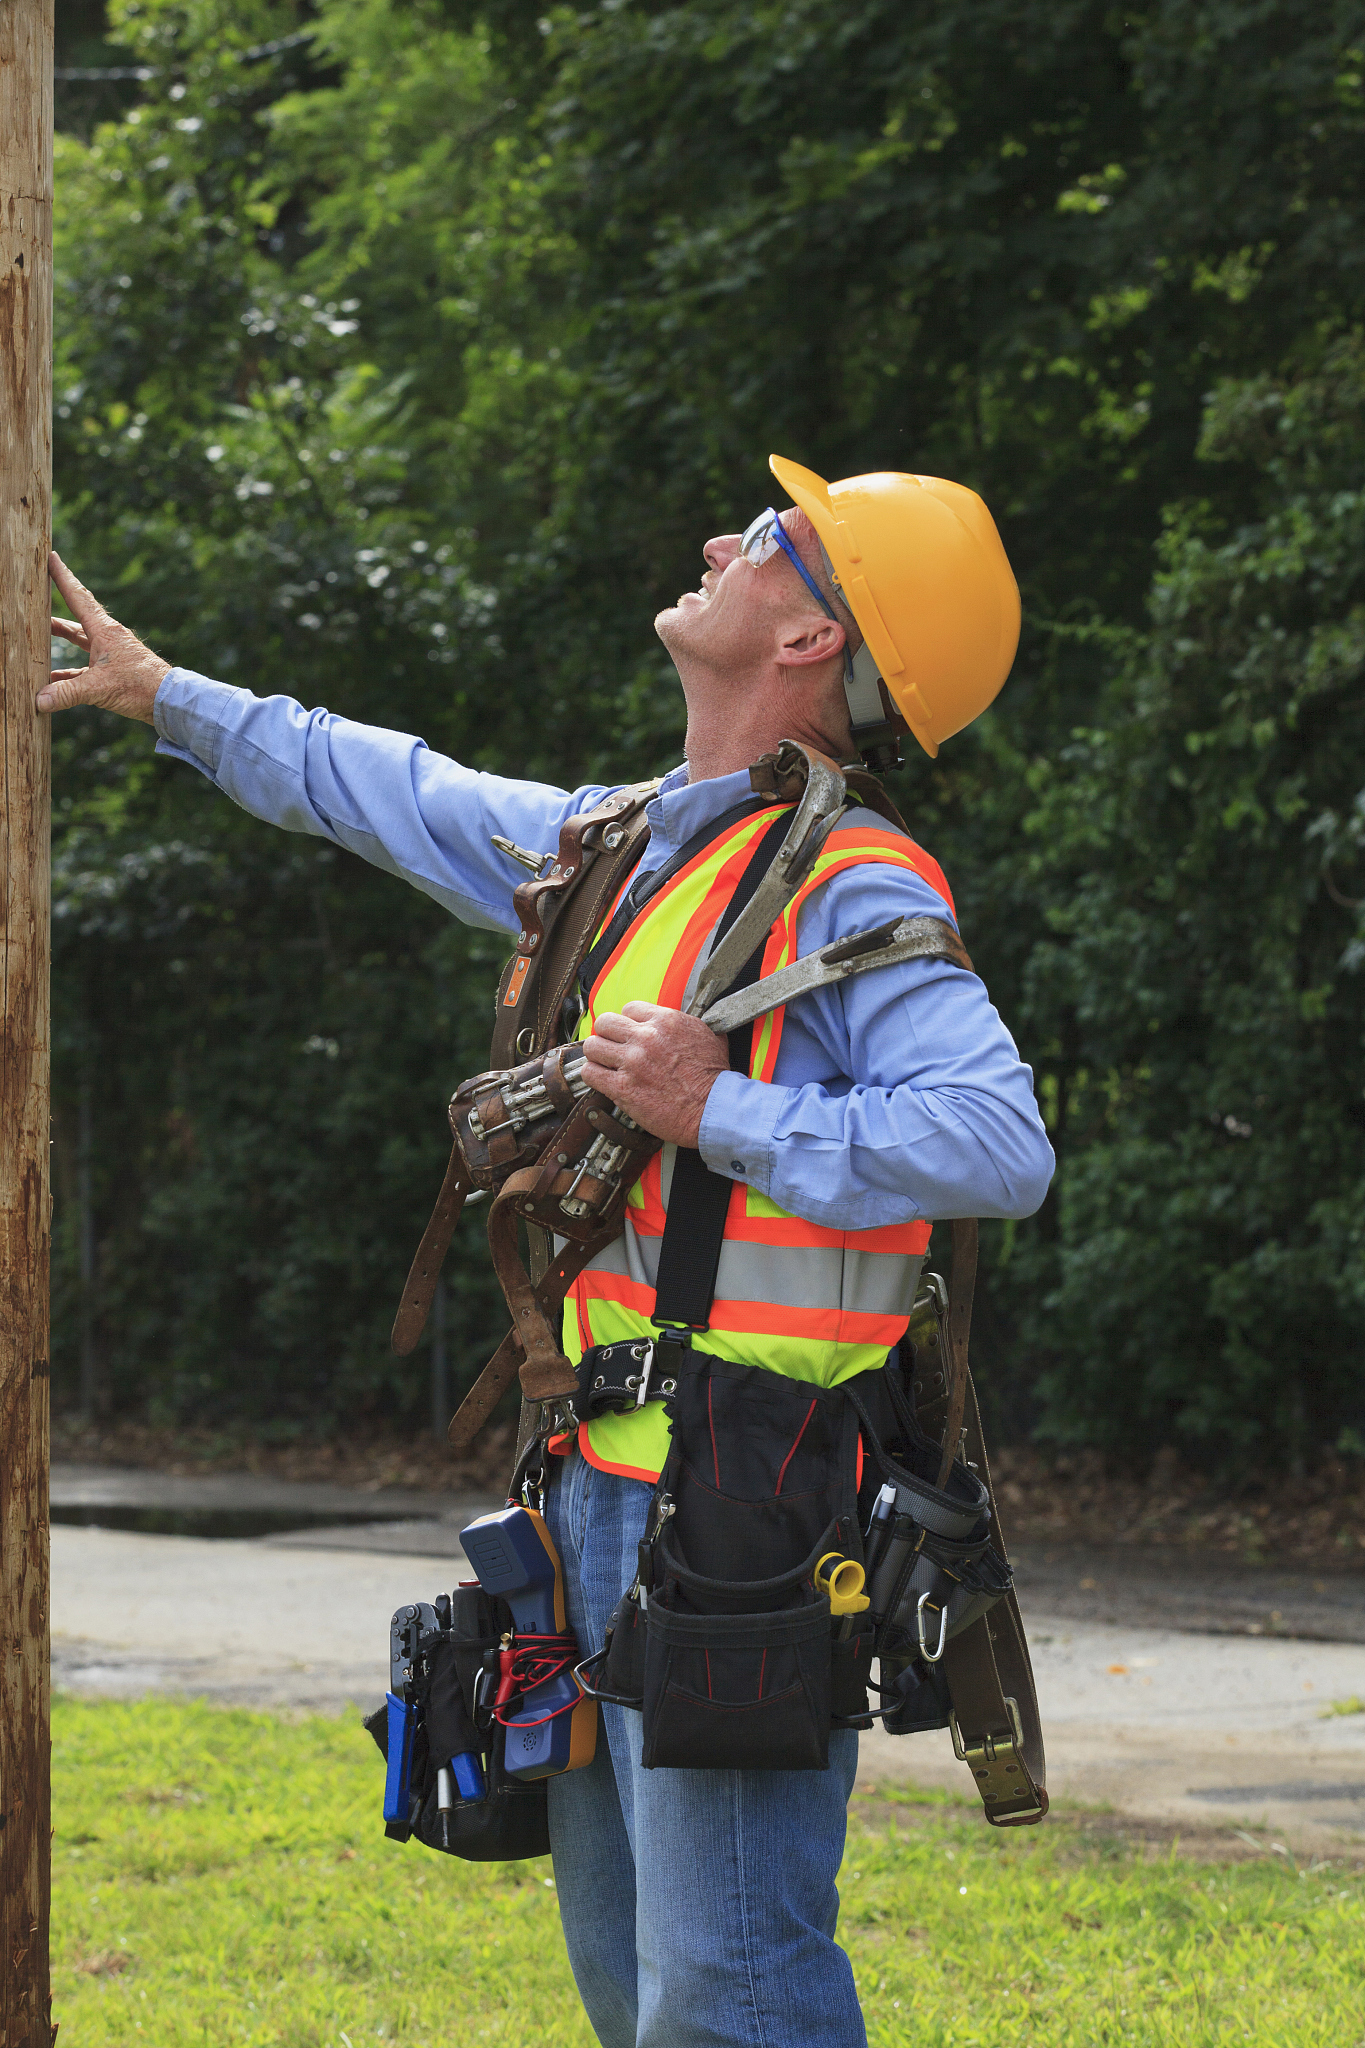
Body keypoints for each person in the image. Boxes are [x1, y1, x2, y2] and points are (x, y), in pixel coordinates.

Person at [40, 456, 1054, 2048]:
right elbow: (394, 788)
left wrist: (718, 1110)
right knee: (631, 1974)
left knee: (728, 1981)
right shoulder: (627, 846)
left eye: (772, 539)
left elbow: (1001, 1147)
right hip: (589, 1483)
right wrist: (164, 695)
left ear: (810, 641)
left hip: (741, 1507)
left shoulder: (850, 880)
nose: (723, 537)